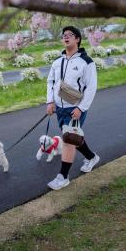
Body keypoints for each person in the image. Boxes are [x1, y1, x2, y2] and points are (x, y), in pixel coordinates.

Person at [45, 26, 100, 190]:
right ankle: (92, 157)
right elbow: (51, 82)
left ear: (77, 39)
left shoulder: (86, 62)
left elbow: (91, 87)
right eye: (64, 35)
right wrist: (50, 102)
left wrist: (81, 108)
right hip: (59, 108)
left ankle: (63, 177)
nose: (66, 37)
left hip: (75, 108)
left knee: (68, 141)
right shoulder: (57, 61)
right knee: (71, 137)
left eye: (70, 35)